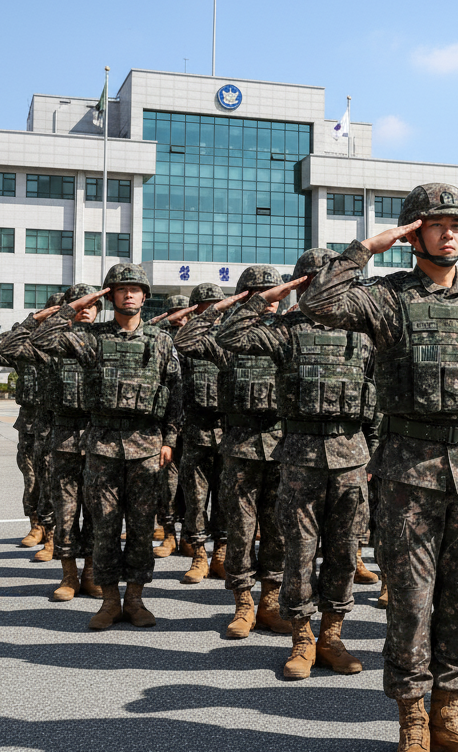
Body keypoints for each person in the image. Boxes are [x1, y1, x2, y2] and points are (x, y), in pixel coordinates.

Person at [300, 183, 458, 752]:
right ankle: (413, 718)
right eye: (436, 224)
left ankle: (449, 712)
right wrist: (368, 247)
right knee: (413, 599)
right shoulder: (388, 297)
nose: (450, 233)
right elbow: (317, 304)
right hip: (409, 470)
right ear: (413, 234)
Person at [216, 248, 377, 679]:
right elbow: (229, 336)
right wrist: (271, 295)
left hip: (352, 457)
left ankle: (332, 636)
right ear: (303, 285)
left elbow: (381, 396)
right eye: (317, 280)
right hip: (301, 458)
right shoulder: (285, 331)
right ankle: (302, 638)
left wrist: (377, 454)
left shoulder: (363, 333)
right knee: (299, 553)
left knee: (344, 552)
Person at [30, 264, 182, 630]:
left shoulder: (161, 340)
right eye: (120, 289)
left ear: (145, 296)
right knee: (105, 527)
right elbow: (39, 339)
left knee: (143, 527)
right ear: (109, 296)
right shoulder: (91, 337)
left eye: (135, 289)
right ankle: (110, 601)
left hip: (147, 447)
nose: (128, 295)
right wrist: (76, 306)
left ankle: (136, 600)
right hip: (102, 447)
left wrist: (169, 439)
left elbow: (176, 392)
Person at [173, 266, 291, 639]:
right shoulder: (227, 340)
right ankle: (243, 604)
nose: (267, 299)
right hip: (238, 449)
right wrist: (226, 307)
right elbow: (185, 339)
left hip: (282, 448)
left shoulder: (290, 336)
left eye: (272, 292)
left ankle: (271, 602)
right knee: (240, 529)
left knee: (277, 531)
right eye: (256, 293)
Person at [0, 284, 104, 600]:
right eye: (80, 304)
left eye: (93, 303)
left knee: (96, 511)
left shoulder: (108, 343)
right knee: (65, 508)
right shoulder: (48, 346)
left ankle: (91, 573)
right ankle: (69, 576)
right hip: (61, 437)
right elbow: (2, 350)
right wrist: (37, 319)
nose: (86, 308)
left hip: (100, 440)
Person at [0, 293, 64, 561]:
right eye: (50, 314)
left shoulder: (68, 346)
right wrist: (27, 324)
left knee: (56, 482)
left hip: (60, 423)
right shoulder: (25, 348)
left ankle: (56, 534)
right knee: (32, 479)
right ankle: (36, 526)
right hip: (30, 422)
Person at [167, 283, 229, 584]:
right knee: (195, 499)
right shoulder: (185, 342)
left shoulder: (231, 339)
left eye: (216, 305)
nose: (212, 311)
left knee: (226, 498)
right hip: (195, 432)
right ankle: (198, 555)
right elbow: (175, 387)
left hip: (228, 433)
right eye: (204, 306)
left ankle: (221, 554)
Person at [151, 294, 191, 558]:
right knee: (167, 483)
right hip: (167, 421)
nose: (181, 318)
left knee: (193, 488)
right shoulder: (160, 340)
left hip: (196, 423)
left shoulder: (201, 338)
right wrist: (164, 321)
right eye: (174, 313)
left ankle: (190, 535)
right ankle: (168, 534)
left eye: (185, 313)